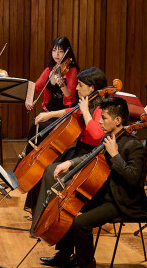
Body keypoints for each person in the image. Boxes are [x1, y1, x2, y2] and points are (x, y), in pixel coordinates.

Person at [36, 96, 147, 268]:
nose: (99, 121)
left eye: (104, 118)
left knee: (81, 222)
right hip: (106, 193)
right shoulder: (110, 138)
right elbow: (93, 155)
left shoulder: (133, 145)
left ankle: (86, 265)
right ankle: (64, 255)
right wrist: (70, 164)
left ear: (118, 120)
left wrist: (116, 156)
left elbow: (134, 179)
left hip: (124, 201)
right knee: (70, 207)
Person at [24, 67, 108, 212]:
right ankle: (40, 212)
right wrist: (49, 115)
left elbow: (96, 134)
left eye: (80, 84)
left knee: (51, 171)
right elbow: (72, 110)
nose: (76, 87)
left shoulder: (102, 108)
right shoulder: (89, 102)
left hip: (92, 156)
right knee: (48, 167)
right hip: (80, 150)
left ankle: (49, 214)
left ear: (91, 88)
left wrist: (86, 111)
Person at [26, 36, 79, 134]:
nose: (57, 54)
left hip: (63, 110)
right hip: (50, 108)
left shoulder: (71, 70)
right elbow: (36, 87)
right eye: (54, 50)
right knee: (35, 125)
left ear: (67, 52)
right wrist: (28, 99)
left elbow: (70, 95)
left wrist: (62, 85)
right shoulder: (50, 70)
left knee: (47, 131)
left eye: (61, 51)